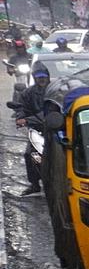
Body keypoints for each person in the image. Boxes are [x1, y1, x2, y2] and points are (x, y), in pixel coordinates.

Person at [11, 63, 52, 196]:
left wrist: (28, 120)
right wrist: (20, 117)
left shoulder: (54, 91)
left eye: (44, 77)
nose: (42, 79)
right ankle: (35, 183)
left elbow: (49, 113)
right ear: (35, 77)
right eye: (39, 77)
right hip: (37, 131)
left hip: (55, 130)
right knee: (31, 155)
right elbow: (21, 107)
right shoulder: (28, 93)